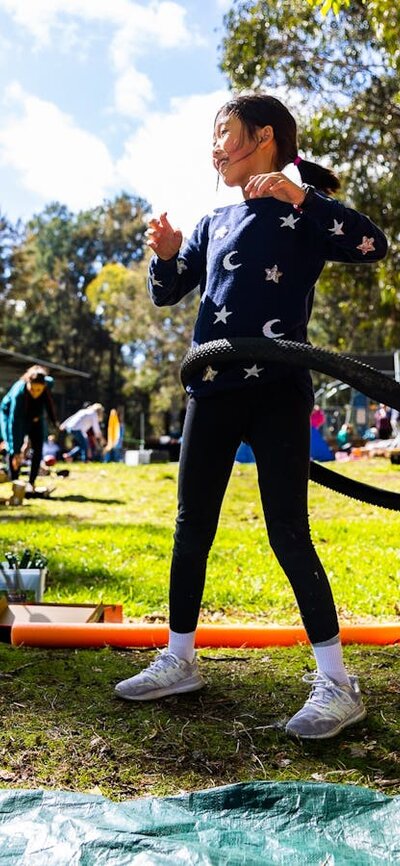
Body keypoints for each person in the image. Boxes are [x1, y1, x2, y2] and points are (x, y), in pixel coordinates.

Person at [115, 92, 387, 739]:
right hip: (212, 390)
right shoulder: (213, 222)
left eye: (223, 132)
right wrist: (165, 251)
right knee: (190, 526)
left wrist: (304, 199)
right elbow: (167, 291)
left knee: (288, 530)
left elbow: (373, 244)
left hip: (277, 389)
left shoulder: (302, 216)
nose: (214, 146)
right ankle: (179, 659)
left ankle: (337, 682)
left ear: (262, 137)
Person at [0, 365, 58, 493]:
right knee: (13, 445)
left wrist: (54, 421)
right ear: (28, 383)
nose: (35, 393)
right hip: (11, 414)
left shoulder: (47, 383)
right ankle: (15, 483)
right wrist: (16, 451)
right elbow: (14, 425)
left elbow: (48, 401)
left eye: (39, 390)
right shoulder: (19, 394)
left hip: (34, 416)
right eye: (33, 389)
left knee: (38, 446)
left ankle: (31, 482)